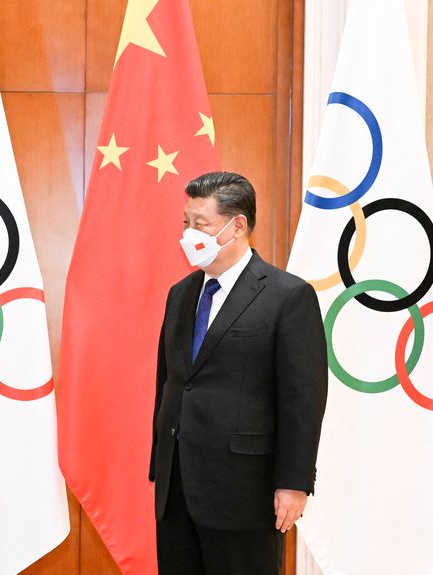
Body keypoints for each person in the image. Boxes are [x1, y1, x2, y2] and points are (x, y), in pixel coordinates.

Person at [150, 172, 328, 574]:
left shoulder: (288, 296)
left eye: (201, 224)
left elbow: (304, 398)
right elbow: (172, 381)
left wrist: (295, 481)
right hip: (176, 487)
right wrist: (159, 465)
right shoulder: (181, 293)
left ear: (238, 226)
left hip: (245, 491)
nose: (189, 234)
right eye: (185, 223)